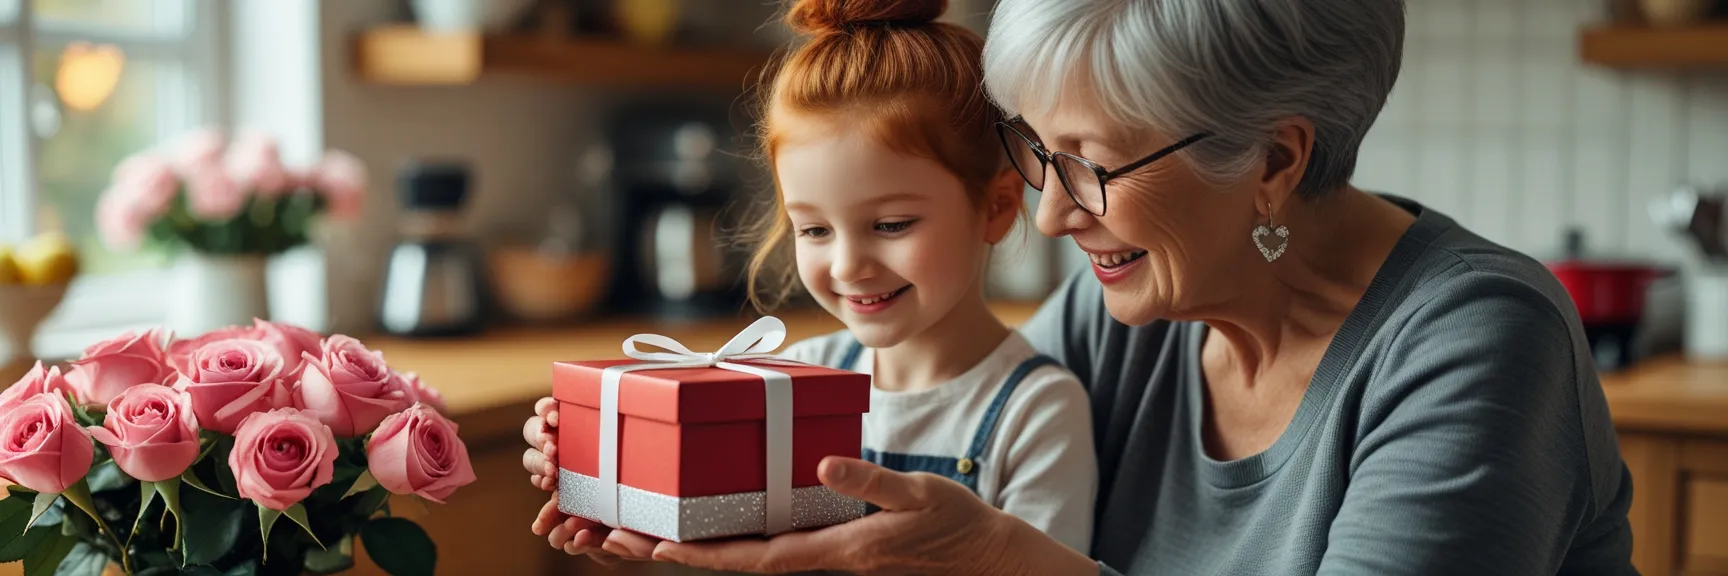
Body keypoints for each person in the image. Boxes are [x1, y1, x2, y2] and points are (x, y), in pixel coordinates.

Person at [524, 0, 1640, 573]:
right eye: (1035, 153)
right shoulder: (1135, 318)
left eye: (1094, 166)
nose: (1051, 213)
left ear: (1274, 161)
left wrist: (1012, 565)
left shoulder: (1478, 346)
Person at [520, 0, 1099, 564]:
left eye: (891, 224)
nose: (848, 265)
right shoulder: (789, 380)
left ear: (997, 205)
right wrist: (608, 488)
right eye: (815, 229)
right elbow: (723, 534)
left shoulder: (1037, 412)